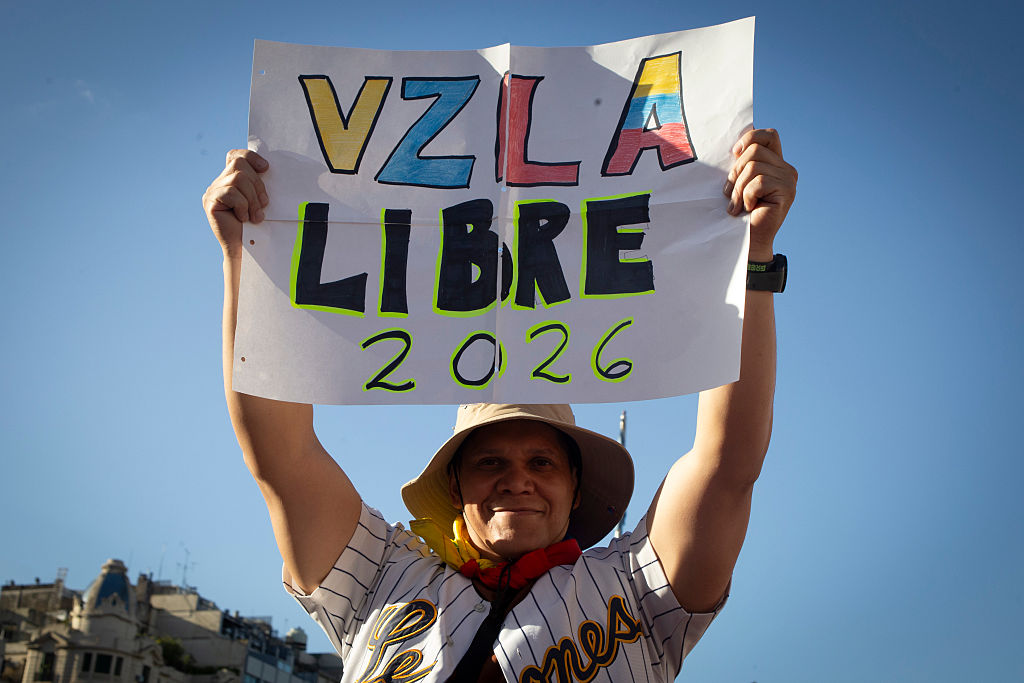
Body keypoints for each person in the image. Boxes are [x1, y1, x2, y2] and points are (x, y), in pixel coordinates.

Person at [202, 128, 797, 682]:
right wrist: (247, 258)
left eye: (542, 462)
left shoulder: (640, 587)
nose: (517, 481)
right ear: (455, 485)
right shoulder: (379, 578)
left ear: (577, 489)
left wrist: (751, 258)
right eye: (490, 463)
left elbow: (727, 465)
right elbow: (283, 458)